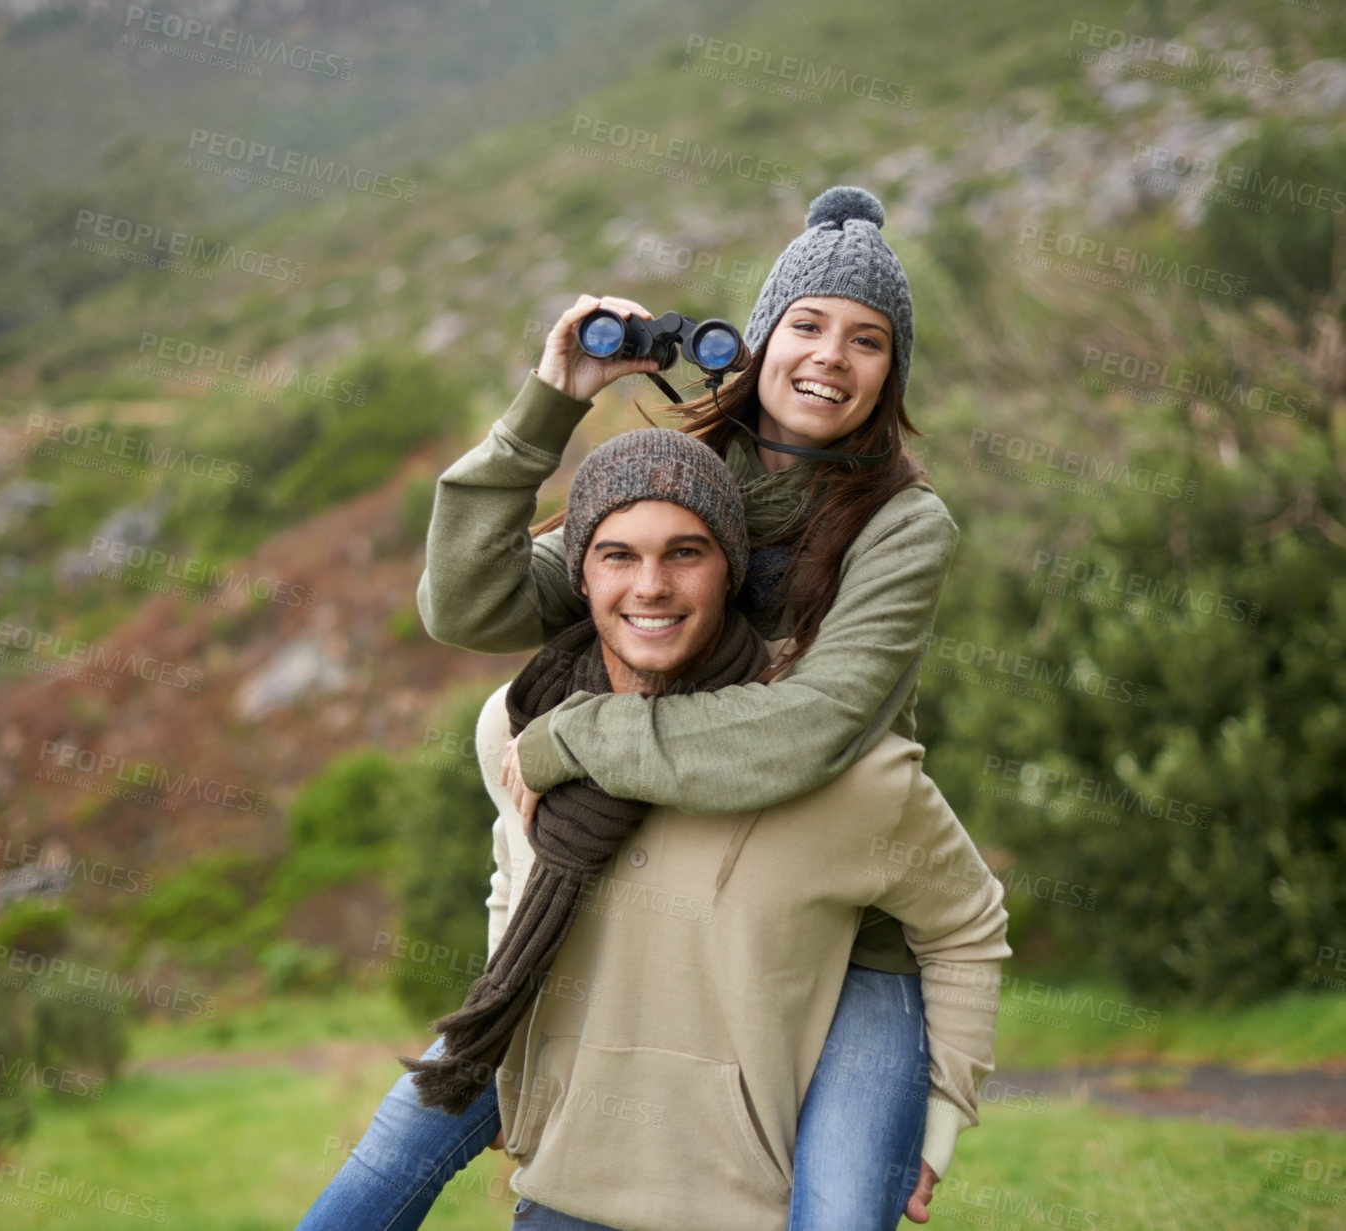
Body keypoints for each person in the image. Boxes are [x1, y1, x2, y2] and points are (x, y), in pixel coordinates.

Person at [296, 185, 983, 1229]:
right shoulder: (683, 481)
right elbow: (470, 604)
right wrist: (549, 404)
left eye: (868, 341)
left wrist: (572, 736)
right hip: (625, 861)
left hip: (839, 919)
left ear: (893, 373)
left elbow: (810, 732)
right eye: (806, 325)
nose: (831, 358)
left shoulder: (903, 523)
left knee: (839, 1212)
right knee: (383, 1167)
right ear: (757, 339)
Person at [476, 428, 1007, 1230]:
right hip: (563, 1194)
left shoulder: (853, 779)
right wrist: (516, 1074)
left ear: (732, 572)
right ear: (579, 576)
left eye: (685, 553)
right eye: (618, 555)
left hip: (747, 1205)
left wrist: (937, 1126)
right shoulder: (522, 735)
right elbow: (510, 885)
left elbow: (967, 921)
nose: (650, 585)